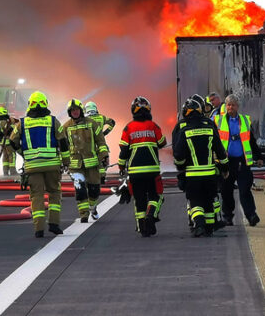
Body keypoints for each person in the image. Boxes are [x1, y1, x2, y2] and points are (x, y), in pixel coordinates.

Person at [9, 91, 69, 238]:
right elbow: (63, 142)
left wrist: (23, 153)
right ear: (45, 104)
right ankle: (54, 224)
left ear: (30, 105)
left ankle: (39, 229)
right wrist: (66, 162)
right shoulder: (53, 121)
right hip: (52, 165)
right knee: (54, 193)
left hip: (32, 166)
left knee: (37, 196)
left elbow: (12, 142)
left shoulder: (22, 123)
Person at [173, 96, 228, 237]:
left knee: (195, 200)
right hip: (210, 173)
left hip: (192, 174)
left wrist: (180, 168)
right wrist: (224, 167)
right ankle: (209, 227)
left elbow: (178, 154)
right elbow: (220, 151)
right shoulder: (209, 127)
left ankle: (199, 225)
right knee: (209, 199)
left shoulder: (184, 130)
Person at [214, 94, 265, 227]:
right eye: (228, 105)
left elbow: (251, 141)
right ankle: (227, 216)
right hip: (226, 163)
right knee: (226, 191)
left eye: (233, 105)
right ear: (225, 106)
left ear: (237, 106)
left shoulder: (244, 120)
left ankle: (251, 215)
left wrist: (259, 157)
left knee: (245, 190)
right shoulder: (218, 121)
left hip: (242, 162)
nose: (230, 107)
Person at [118, 96, 167, 237]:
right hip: (152, 170)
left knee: (139, 199)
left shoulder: (128, 128)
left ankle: (142, 228)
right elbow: (162, 142)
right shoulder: (154, 126)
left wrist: (121, 167)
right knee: (155, 195)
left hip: (135, 172)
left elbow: (124, 151)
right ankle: (151, 215)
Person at [60, 99, 108, 223]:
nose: (75, 112)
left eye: (76, 110)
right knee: (80, 190)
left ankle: (92, 207)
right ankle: (84, 214)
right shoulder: (65, 127)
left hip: (92, 164)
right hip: (75, 165)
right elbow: (62, 146)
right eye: (72, 110)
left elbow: (101, 141)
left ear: (81, 110)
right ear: (69, 112)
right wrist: (62, 161)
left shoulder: (92, 124)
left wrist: (104, 156)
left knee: (94, 190)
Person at [84, 101, 114, 182]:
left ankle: (90, 177)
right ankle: (102, 177)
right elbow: (112, 123)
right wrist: (105, 133)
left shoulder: (85, 119)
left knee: (90, 161)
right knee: (101, 160)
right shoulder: (101, 117)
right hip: (100, 142)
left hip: (89, 144)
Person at [0, 106, 18, 176]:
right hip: (8, 141)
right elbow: (7, 130)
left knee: (5, 156)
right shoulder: (4, 121)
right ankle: (13, 171)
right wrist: (14, 125)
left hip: (2, 142)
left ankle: (5, 172)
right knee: (12, 155)